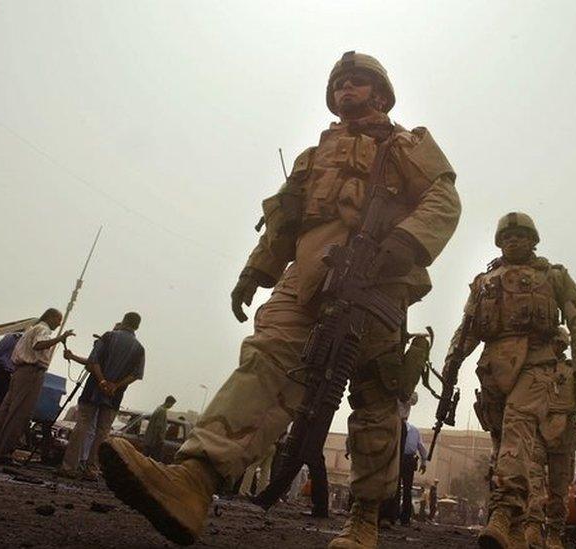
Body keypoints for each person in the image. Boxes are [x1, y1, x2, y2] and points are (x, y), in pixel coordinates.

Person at [98, 51, 460, 549]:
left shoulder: (405, 144)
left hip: (378, 284)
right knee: (264, 362)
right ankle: (194, 482)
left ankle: (365, 521)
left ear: (380, 94)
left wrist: (403, 243)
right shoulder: (315, 156)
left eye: (356, 83)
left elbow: (443, 198)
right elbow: (284, 220)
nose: (345, 91)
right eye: (339, 84)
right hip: (307, 277)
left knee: (374, 401)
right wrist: (256, 269)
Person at [444, 212, 576, 548]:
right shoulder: (484, 282)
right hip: (493, 369)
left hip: (537, 364)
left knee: (516, 432)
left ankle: (503, 511)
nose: (513, 241)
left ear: (533, 240)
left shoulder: (554, 277)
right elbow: (468, 328)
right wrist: (452, 363)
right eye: (506, 237)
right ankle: (514, 530)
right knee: (504, 444)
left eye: (520, 236)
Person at [59, 312, 145, 479]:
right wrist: (115, 385)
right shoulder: (139, 349)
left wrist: (101, 381)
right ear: (137, 326)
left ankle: (69, 467)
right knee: (103, 433)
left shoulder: (108, 337)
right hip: (114, 396)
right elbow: (136, 375)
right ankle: (91, 470)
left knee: (82, 426)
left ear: (124, 321)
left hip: (93, 390)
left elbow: (93, 361)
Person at [0, 309, 73, 464]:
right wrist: (60, 338)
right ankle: (3, 452)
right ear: (50, 317)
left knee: (5, 411)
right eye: (58, 320)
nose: (59, 324)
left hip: (19, 371)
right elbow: (38, 345)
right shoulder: (42, 329)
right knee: (19, 413)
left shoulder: (32, 329)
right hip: (31, 372)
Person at [543, 327, 576, 549]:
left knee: (559, 487)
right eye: (555, 343)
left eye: (561, 345)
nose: (558, 347)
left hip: (564, 432)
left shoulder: (572, 371)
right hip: (535, 429)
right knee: (530, 482)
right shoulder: (535, 366)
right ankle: (530, 528)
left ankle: (554, 532)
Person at [144, 396, 177, 461]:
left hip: (150, 440)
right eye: (172, 404)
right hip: (155, 441)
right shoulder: (162, 411)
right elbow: (158, 427)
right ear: (169, 402)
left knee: (145, 459)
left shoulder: (158, 408)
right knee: (155, 462)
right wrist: (160, 440)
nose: (171, 406)